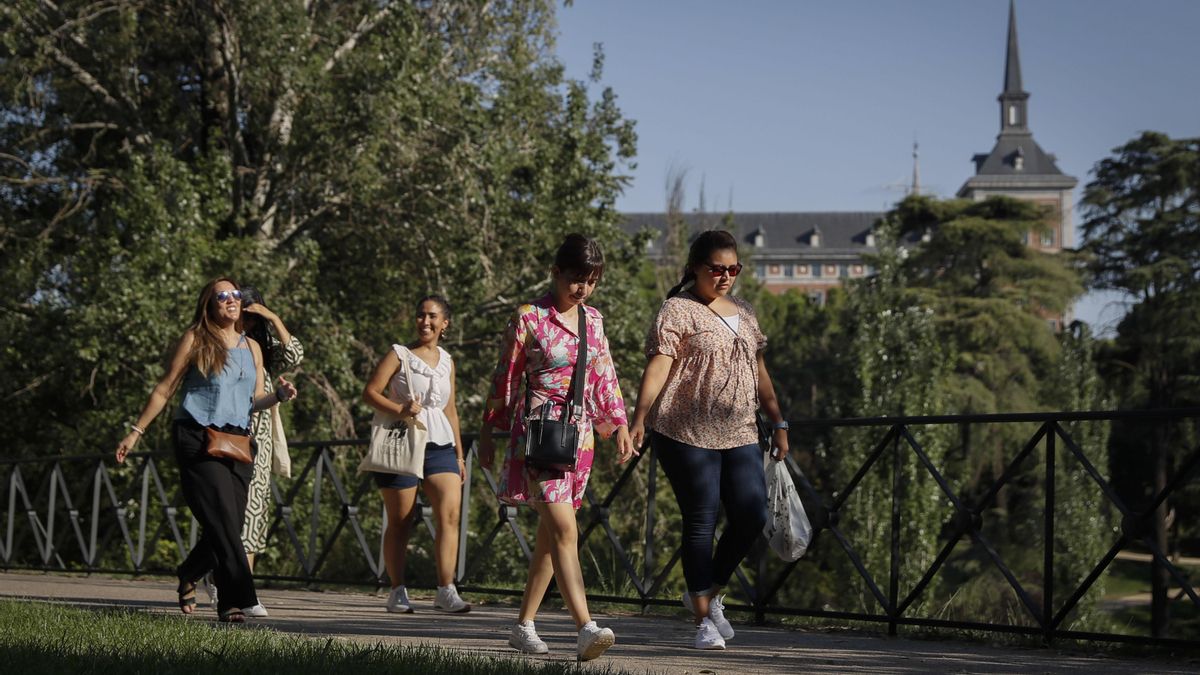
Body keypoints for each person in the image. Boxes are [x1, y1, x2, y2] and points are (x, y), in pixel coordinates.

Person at [629, 230, 790, 650]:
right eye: (716, 268)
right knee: (701, 519)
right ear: (695, 268)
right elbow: (659, 366)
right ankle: (703, 620)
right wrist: (639, 417)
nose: (725, 276)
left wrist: (779, 421)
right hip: (684, 430)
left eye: (732, 269)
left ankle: (708, 591)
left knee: (752, 514)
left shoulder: (746, 312)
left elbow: (760, 372)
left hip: (739, 429)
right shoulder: (677, 310)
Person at [479, 234, 636, 662]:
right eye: (575, 279)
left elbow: (604, 375)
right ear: (556, 273)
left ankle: (523, 625)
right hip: (539, 434)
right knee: (566, 530)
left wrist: (618, 423)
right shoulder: (529, 318)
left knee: (551, 536)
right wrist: (489, 431)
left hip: (578, 438)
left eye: (591, 281)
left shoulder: (594, 320)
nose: (582, 288)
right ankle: (585, 628)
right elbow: (505, 378)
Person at [115, 278, 297, 623]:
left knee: (230, 523)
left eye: (236, 296)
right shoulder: (196, 339)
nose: (231, 300)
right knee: (224, 521)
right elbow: (164, 389)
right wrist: (135, 432)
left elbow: (255, 400)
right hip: (197, 438)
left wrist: (280, 396)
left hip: (238, 442)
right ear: (210, 305)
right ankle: (237, 599)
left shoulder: (253, 348)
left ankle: (189, 571)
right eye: (222, 296)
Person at [362, 295, 470, 615]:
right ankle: (397, 590)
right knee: (401, 521)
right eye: (421, 315)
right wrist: (400, 408)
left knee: (449, 515)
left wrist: (460, 455)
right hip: (403, 442)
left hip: (440, 444)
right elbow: (369, 393)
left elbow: (451, 410)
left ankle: (446, 589)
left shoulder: (448, 360)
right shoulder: (400, 355)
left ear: (444, 323)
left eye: (432, 317)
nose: (425, 322)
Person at [237, 286, 304, 617]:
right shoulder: (221, 345)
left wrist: (272, 317)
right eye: (243, 313)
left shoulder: (262, 348)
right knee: (227, 512)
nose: (247, 320)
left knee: (252, 514)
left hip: (258, 441)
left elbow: (295, 355)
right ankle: (215, 576)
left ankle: (243, 590)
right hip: (226, 436)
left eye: (252, 314)